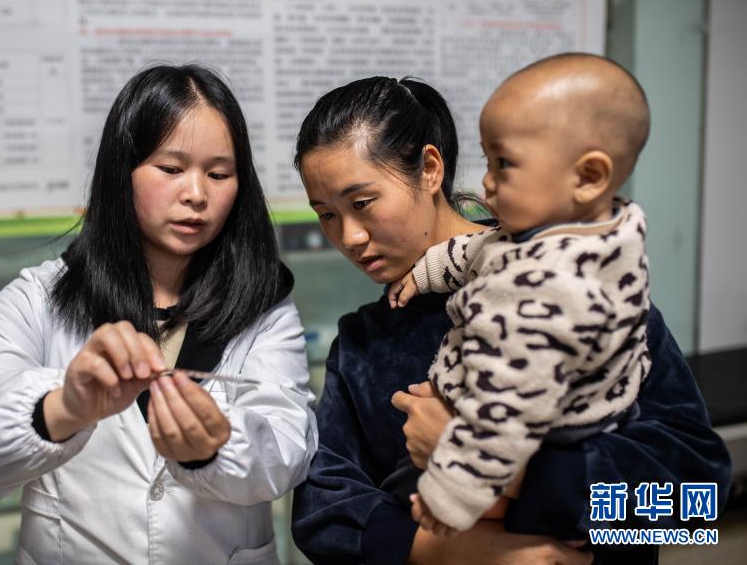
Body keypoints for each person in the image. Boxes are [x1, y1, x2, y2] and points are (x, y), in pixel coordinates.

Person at [290, 74, 731, 564]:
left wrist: (512, 470)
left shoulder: (581, 292)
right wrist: (449, 551)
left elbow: (695, 502)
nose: (349, 237)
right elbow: (321, 511)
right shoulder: (362, 342)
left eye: (361, 203)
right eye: (326, 214)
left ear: (430, 168)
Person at [0, 64, 318, 564]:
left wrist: (217, 444)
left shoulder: (264, 305)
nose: (196, 194)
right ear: (121, 171)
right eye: (170, 169)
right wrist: (63, 408)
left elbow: (287, 452)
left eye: (219, 174)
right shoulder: (40, 298)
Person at [386, 54, 654, 534]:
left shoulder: (546, 293)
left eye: (504, 164)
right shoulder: (597, 235)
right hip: (598, 416)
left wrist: (451, 493)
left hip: (537, 439)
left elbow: (503, 410)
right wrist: (425, 273)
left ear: (588, 177)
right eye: (488, 161)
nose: (486, 181)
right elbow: (480, 250)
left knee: (419, 501)